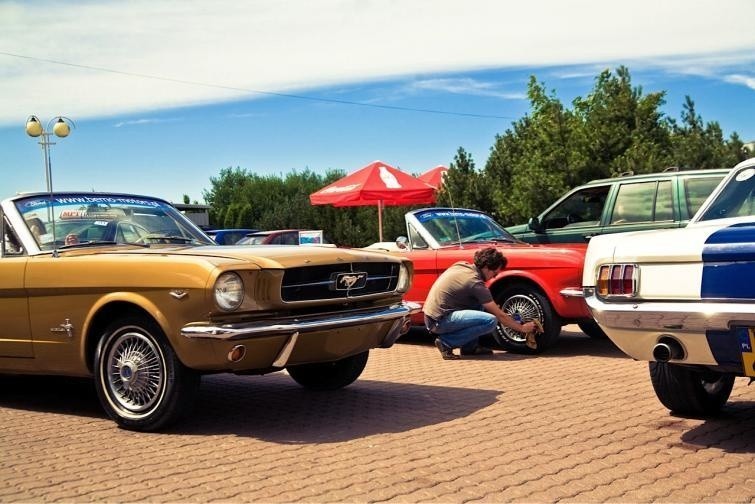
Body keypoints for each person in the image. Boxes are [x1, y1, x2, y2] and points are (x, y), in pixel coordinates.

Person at [423, 246, 538, 360]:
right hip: (439, 321)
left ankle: (469, 348)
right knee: (490, 320)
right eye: (495, 273)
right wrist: (522, 328)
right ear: (487, 267)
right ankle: (446, 342)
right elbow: (500, 316)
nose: (495, 277)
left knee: (480, 305)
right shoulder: (475, 283)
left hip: (432, 316)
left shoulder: (462, 265)